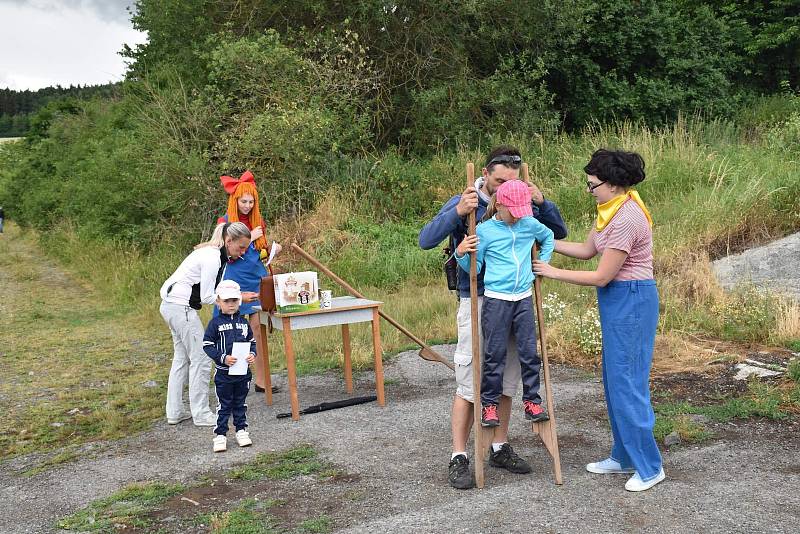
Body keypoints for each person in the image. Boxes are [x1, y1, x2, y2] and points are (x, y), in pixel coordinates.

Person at [418, 145, 568, 490]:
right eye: (499, 181)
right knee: (471, 379)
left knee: (508, 377)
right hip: (479, 300)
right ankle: (459, 456)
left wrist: (543, 203)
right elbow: (426, 240)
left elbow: (556, 233)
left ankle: (499, 446)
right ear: (485, 174)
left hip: (518, 299)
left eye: (510, 182)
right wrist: (457, 211)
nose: (505, 190)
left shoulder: (522, 199)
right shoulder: (468, 199)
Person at [532, 148, 664, 492]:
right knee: (613, 379)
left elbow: (602, 275)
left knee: (628, 383)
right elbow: (588, 250)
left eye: (593, 185)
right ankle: (623, 456)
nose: (589, 190)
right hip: (618, 300)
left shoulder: (626, 218)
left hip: (632, 299)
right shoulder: (609, 210)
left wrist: (551, 271)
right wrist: (548, 241)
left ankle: (649, 467)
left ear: (614, 185)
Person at [455, 180, 554, 428]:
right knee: (494, 355)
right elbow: (475, 270)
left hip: (523, 298)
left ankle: (532, 401)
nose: (518, 217)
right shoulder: (485, 231)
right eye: (515, 212)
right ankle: (489, 406)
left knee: (529, 354)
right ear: (499, 205)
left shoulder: (529, 224)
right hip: (496, 300)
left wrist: (542, 262)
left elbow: (549, 236)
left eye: (523, 212)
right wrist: (461, 255)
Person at [159, 222, 257, 427]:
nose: (242, 252)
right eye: (240, 248)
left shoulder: (213, 254)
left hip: (171, 305)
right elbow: (207, 296)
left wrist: (236, 295)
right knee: (202, 358)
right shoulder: (213, 258)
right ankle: (202, 413)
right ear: (228, 241)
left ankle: (175, 411)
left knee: (182, 359)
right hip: (181, 307)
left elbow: (214, 290)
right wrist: (238, 297)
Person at [216, 171, 281, 394]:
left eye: (251, 201)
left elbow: (258, 252)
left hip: (256, 279)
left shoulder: (257, 222)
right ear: (235, 201)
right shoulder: (225, 223)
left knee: (257, 330)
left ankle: (263, 381)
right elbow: (225, 254)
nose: (247, 205)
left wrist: (271, 250)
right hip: (234, 282)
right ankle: (236, 381)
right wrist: (251, 236)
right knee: (233, 332)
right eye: (243, 201)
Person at [203, 280, 256, 452]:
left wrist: (252, 355)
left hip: (242, 373)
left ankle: (241, 430)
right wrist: (223, 358)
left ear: (239, 301)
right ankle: (220, 435)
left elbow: (252, 342)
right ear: (218, 302)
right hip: (224, 374)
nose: (231, 304)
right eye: (226, 301)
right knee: (225, 404)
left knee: (240, 403)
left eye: (234, 300)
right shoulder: (215, 324)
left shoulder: (244, 322)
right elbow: (207, 345)